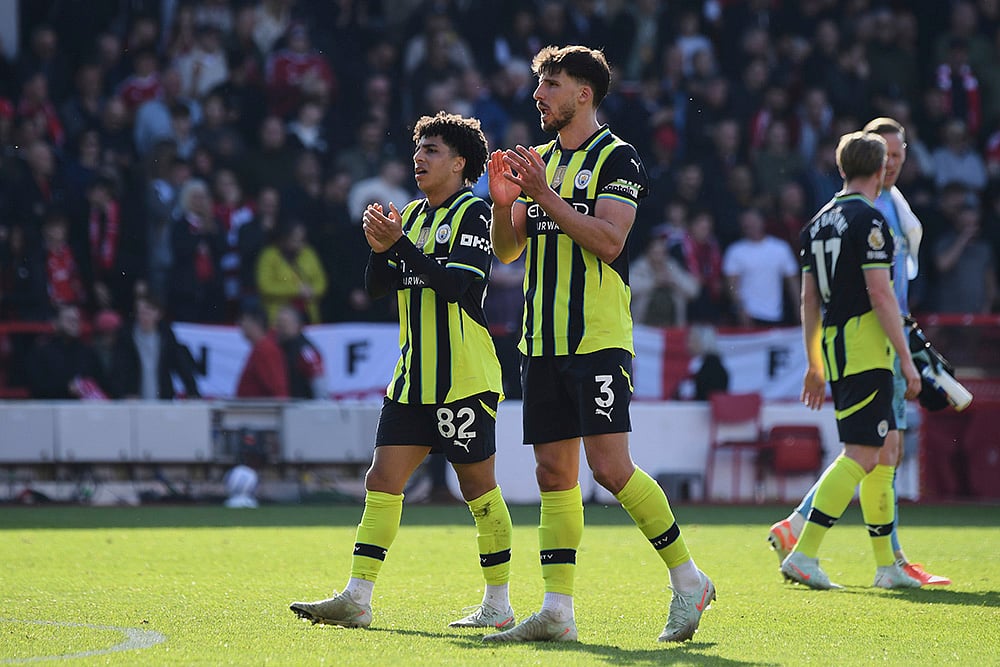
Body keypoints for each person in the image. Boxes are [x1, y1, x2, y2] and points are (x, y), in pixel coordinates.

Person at [485, 45, 714, 644]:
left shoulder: (618, 158)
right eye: (539, 85)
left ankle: (689, 580)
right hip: (541, 340)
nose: (539, 95)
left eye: (551, 85)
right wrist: (507, 204)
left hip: (598, 338)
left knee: (611, 469)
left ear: (584, 93)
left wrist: (542, 194)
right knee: (552, 471)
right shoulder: (534, 161)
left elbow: (610, 241)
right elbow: (511, 251)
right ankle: (558, 610)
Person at [290, 112, 515, 631]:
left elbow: (458, 287)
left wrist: (400, 248)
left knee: (478, 488)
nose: (419, 157)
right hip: (413, 378)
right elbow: (376, 288)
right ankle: (358, 596)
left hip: (463, 374)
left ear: (460, 164)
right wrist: (378, 251)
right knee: (382, 478)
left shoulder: (474, 215)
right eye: (418, 149)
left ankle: (498, 603)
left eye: (432, 150)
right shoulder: (409, 215)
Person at [769, 118, 952, 586]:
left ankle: (886, 566)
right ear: (878, 169)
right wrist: (907, 362)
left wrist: (814, 363)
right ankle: (803, 550)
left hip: (835, 345)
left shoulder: (818, 222)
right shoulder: (871, 221)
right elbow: (881, 295)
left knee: (880, 452)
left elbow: (810, 300)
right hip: (867, 346)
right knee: (864, 453)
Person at [110, 294, 201, 400]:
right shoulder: (127, 337)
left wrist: (192, 392)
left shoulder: (166, 336)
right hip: (134, 399)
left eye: (148, 313)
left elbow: (181, 365)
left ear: (158, 314)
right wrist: (122, 394)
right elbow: (119, 369)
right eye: (141, 312)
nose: (144, 317)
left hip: (162, 397)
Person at [722, 207, 801, 327]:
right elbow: (732, 284)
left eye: (753, 221)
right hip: (749, 317)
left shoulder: (780, 248)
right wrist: (740, 309)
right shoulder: (735, 251)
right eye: (746, 223)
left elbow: (793, 282)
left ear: (762, 221)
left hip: (776, 315)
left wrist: (799, 310)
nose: (750, 226)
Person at [234, 305, 288, 398]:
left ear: (255, 323)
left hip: (259, 410)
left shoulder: (266, 349)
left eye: (244, 320)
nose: (241, 325)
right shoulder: (260, 348)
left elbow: (278, 388)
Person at [273, 305, 327, 400]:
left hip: (302, 407)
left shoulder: (306, 351)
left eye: (284, 323)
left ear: (297, 325)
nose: (280, 327)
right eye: (278, 323)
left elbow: (319, 382)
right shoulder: (277, 346)